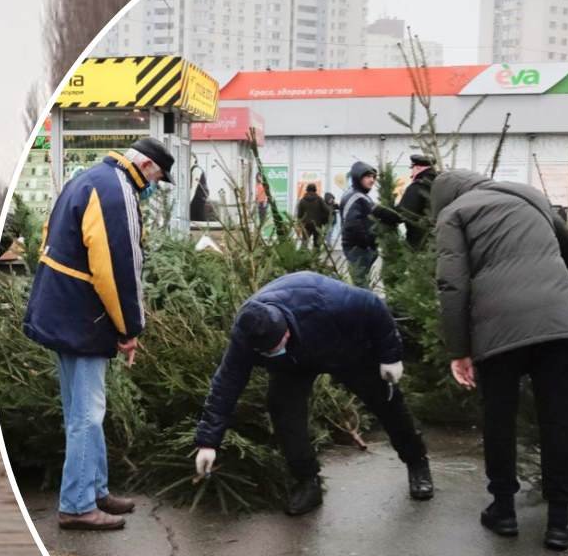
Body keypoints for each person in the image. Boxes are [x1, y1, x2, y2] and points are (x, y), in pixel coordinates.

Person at [24, 137, 175, 531]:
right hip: (82, 318)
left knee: (81, 409)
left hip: (59, 311)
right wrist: (129, 328)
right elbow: (118, 268)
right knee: (88, 415)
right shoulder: (116, 191)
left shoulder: (87, 178)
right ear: (145, 166)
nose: (156, 185)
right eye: (159, 176)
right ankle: (77, 505)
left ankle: (95, 490)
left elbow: (47, 237)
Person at [433, 169, 568, 550]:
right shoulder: (527, 194)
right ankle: (558, 522)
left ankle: (503, 511)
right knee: (558, 420)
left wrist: (459, 350)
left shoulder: (454, 214)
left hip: (497, 331)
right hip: (559, 325)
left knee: (498, 419)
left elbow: (452, 283)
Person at [193, 271, 433, 516]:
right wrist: (207, 442)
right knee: (283, 411)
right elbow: (226, 383)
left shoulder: (328, 300)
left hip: (344, 349)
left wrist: (390, 357)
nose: (276, 351)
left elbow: (374, 306)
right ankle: (307, 481)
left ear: (285, 330)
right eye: (269, 351)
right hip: (292, 367)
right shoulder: (246, 334)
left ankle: (417, 462)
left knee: (387, 401)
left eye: (278, 346)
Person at [373, 154, 437, 249]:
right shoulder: (439, 184)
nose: (411, 173)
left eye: (412, 168)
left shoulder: (417, 188)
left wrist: (378, 210)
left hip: (420, 244)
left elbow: (402, 214)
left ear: (418, 168)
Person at [340, 161, 379, 288]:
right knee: (361, 285)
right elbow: (353, 225)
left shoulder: (361, 196)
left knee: (361, 283)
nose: (372, 180)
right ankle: (364, 308)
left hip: (363, 248)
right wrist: (367, 243)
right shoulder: (355, 197)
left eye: (373, 177)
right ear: (358, 177)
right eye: (368, 177)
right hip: (358, 249)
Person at [295, 183, 330, 250]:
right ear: (315, 190)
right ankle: (316, 257)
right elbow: (327, 210)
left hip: (306, 225)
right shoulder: (319, 199)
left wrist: (299, 224)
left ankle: (302, 257)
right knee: (316, 243)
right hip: (317, 224)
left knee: (304, 242)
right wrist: (324, 220)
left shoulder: (302, 201)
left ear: (307, 190)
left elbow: (299, 214)